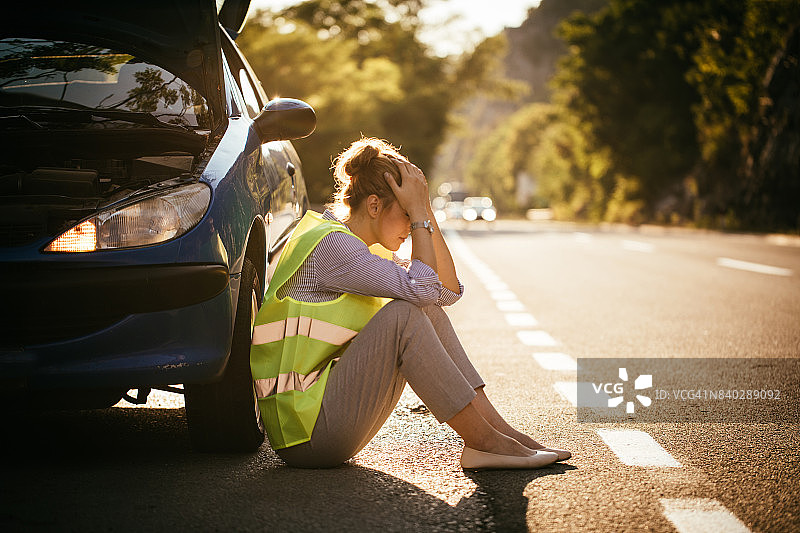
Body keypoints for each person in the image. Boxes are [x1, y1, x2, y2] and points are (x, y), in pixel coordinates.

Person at [250, 137, 571, 470]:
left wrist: (425, 209)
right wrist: (419, 214)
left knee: (424, 310)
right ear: (374, 206)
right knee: (405, 314)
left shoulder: (363, 250)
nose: (412, 226)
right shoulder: (333, 247)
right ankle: (485, 441)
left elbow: (444, 292)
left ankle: (499, 434)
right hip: (306, 433)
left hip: (325, 419)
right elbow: (423, 289)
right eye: (405, 214)